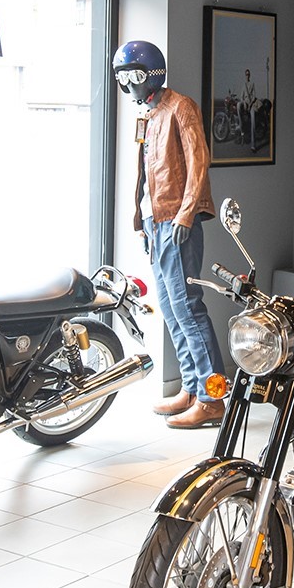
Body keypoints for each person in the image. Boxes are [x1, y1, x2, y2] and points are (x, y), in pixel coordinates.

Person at [113, 40, 226, 429]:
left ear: (149, 74)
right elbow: (147, 173)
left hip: (177, 223)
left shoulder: (181, 107)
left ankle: (212, 398)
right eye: (122, 78)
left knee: (188, 308)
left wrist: (186, 213)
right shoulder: (149, 113)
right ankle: (192, 388)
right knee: (172, 310)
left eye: (131, 76)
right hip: (155, 222)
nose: (126, 85)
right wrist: (142, 221)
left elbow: (199, 162)